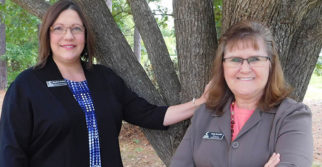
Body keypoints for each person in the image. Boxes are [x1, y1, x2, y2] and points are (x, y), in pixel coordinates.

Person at [0, 1, 207, 166]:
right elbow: (10, 152)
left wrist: (202, 102)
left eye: (76, 29)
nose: (68, 36)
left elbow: (150, 114)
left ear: (86, 35)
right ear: (47, 33)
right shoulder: (27, 85)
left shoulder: (104, 79)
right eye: (59, 28)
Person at [170, 20, 313, 167]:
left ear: (271, 65)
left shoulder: (292, 116)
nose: (245, 69)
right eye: (235, 60)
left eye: (255, 59)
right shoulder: (203, 114)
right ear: (223, 66)